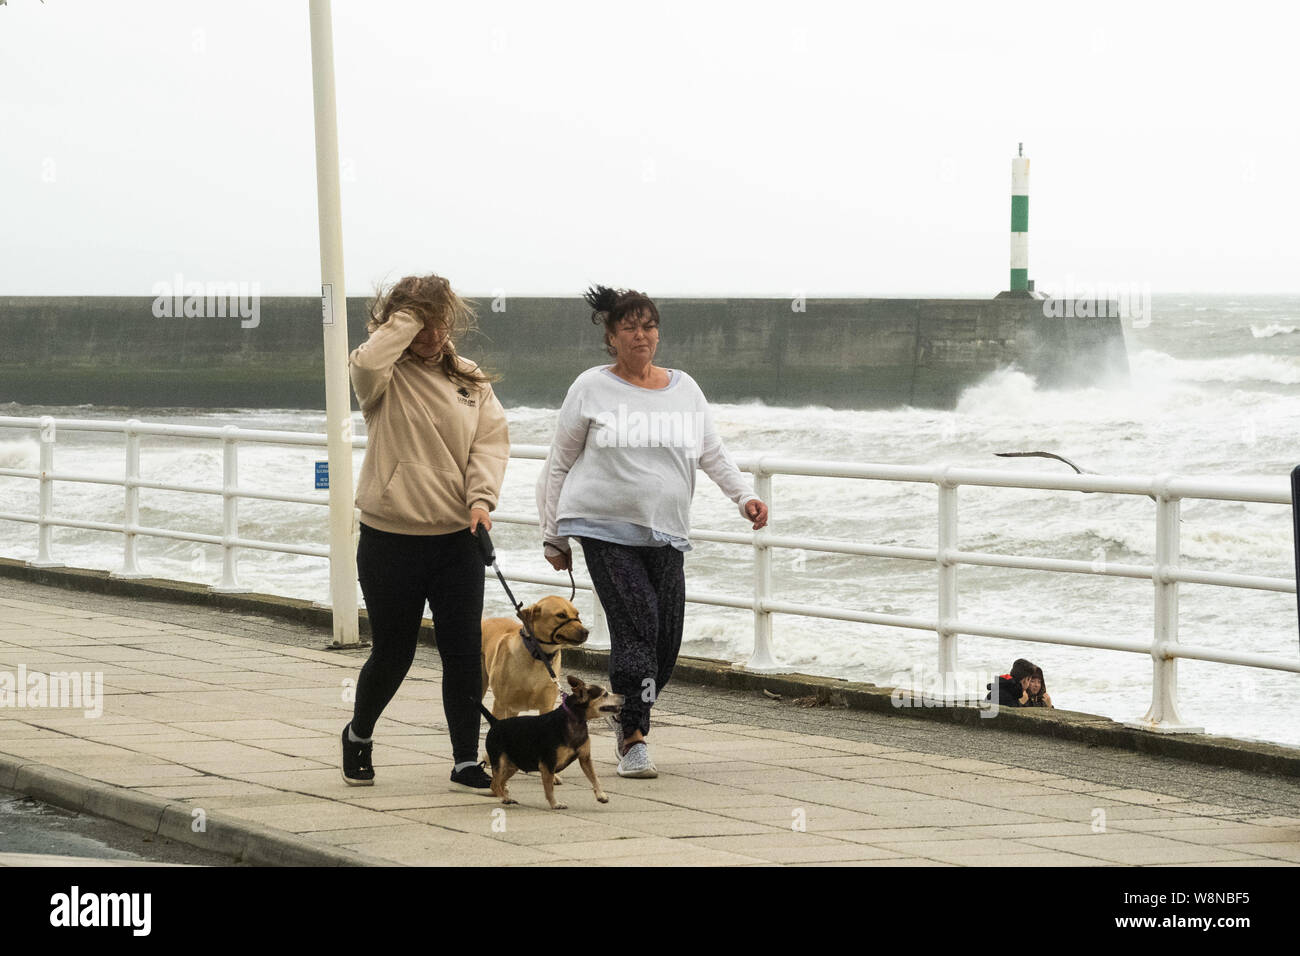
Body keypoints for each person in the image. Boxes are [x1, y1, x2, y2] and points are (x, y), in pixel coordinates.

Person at [538, 285, 768, 779]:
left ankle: (617, 709)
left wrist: (743, 496)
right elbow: (558, 464)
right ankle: (633, 735)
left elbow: (711, 452)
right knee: (638, 626)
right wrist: (552, 535)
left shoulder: (684, 388)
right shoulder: (591, 387)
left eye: (648, 325)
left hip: (667, 533)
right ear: (611, 336)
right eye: (629, 327)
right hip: (603, 529)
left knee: (665, 641)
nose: (641, 335)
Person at [340, 274, 509, 790]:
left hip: (457, 538)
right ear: (398, 321)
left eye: (441, 320)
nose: (433, 332)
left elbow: (490, 444)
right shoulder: (382, 374)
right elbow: (366, 362)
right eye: (421, 321)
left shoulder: (469, 379)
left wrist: (481, 502)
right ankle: (359, 733)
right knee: (394, 651)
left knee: (462, 653)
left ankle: (464, 761)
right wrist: (408, 315)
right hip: (390, 539)